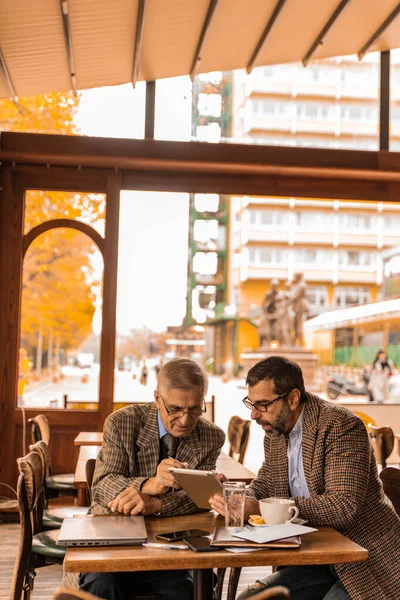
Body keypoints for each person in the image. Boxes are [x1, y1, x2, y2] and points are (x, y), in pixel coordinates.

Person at [210, 356, 400, 600]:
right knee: (250, 598)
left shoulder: (341, 426)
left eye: (263, 404)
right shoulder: (276, 431)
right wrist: (238, 498)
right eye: (251, 404)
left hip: (367, 558)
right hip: (317, 555)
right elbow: (265, 483)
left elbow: (343, 506)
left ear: (292, 398)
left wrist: (266, 510)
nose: (254, 415)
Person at [80, 357, 225, 600]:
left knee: (192, 592)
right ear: (157, 398)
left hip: (173, 544)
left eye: (195, 409)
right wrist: (151, 485)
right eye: (176, 409)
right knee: (102, 584)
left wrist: (155, 504)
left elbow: (199, 499)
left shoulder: (211, 436)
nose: (186, 420)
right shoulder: (121, 422)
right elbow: (103, 485)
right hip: (112, 535)